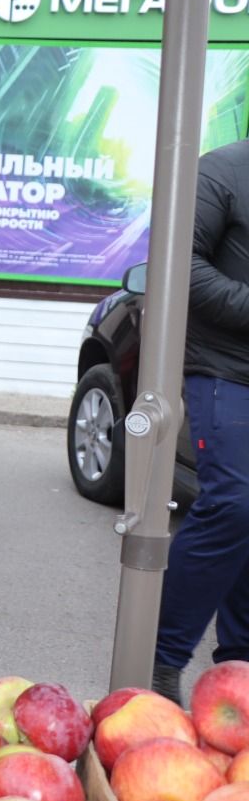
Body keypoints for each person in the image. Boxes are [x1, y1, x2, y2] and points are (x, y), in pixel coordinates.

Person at [152, 140, 249, 703]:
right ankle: (161, 658)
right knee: (236, 501)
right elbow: (177, 264)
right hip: (227, 370)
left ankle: (238, 667)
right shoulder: (223, 171)